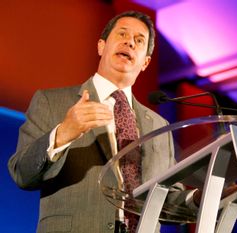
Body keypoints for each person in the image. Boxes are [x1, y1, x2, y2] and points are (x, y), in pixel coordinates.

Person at [8, 11, 190, 233]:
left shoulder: (160, 127)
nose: (129, 42)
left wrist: (203, 197)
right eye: (122, 34)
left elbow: (168, 199)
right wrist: (63, 134)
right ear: (101, 46)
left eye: (139, 40)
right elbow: (21, 173)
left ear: (146, 62)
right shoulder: (51, 102)